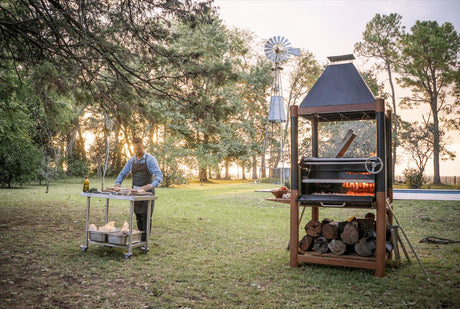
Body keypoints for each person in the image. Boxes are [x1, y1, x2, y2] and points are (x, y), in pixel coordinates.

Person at [115, 137, 163, 241]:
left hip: (147, 193)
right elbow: (123, 173)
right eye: (135, 149)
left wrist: (152, 185)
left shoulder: (150, 159)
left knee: (146, 217)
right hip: (135, 193)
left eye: (139, 148)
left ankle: (144, 242)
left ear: (142, 146)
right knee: (138, 216)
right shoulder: (131, 160)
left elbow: (159, 175)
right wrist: (118, 183)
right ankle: (139, 239)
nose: (137, 151)